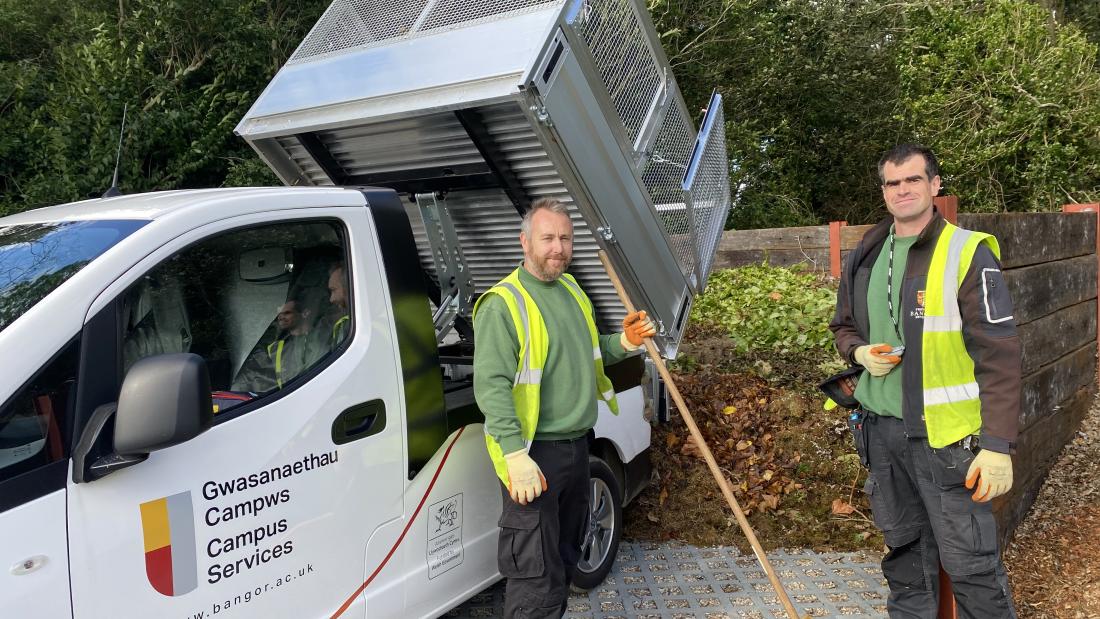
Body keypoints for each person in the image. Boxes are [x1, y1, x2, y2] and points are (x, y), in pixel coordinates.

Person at [830, 144, 1021, 617]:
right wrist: (858, 352)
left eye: (913, 180)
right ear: (883, 192)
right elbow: (843, 324)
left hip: (947, 442)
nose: (903, 190)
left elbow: (999, 353)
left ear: (935, 185)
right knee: (907, 564)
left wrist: (997, 445)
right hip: (881, 433)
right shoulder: (867, 256)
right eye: (893, 183)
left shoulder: (966, 252)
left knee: (972, 569)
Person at [473, 198, 655, 618]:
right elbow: (492, 386)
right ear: (525, 241)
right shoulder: (504, 303)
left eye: (565, 238)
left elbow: (590, 352)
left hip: (578, 448)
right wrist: (515, 455)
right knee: (536, 577)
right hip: (533, 457)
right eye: (548, 238)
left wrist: (624, 343)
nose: (558, 247)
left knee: (567, 559)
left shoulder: (573, 290)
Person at [326, 261, 351, 346]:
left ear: (349, 287)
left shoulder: (359, 329)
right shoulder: (344, 324)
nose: (331, 299)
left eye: (334, 290)